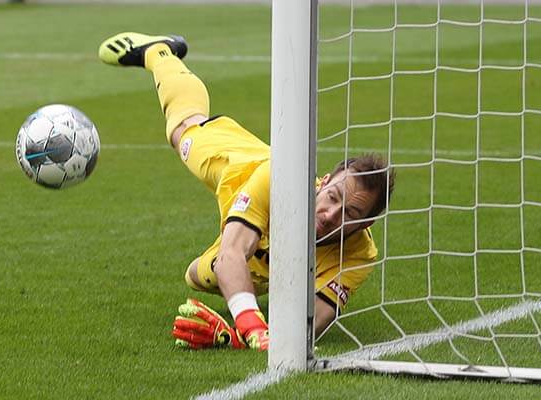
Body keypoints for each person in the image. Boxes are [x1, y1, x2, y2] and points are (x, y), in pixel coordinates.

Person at [98, 32, 395, 351]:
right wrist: (253, 328)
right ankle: (158, 52)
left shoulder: (358, 255)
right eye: (333, 197)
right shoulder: (276, 180)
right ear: (322, 182)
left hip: (258, 254)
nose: (330, 214)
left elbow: (312, 323)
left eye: (350, 213)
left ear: (365, 226)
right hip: (240, 169)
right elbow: (231, 258)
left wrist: (236, 338)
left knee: (198, 276)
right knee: (184, 128)